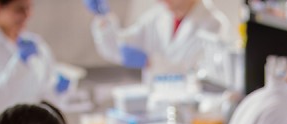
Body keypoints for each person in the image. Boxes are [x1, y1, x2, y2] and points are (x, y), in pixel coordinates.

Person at [83, 0, 226, 81]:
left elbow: (201, 76)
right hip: (154, 109)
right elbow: (118, 48)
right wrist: (103, 17)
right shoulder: (157, 17)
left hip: (188, 115)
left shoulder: (214, 25)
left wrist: (152, 62)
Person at [0, 0, 69, 113]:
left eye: (29, 8)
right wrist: (19, 64)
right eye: (19, 9)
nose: (26, 15)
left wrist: (56, 91)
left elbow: (44, 97)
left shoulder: (37, 45)